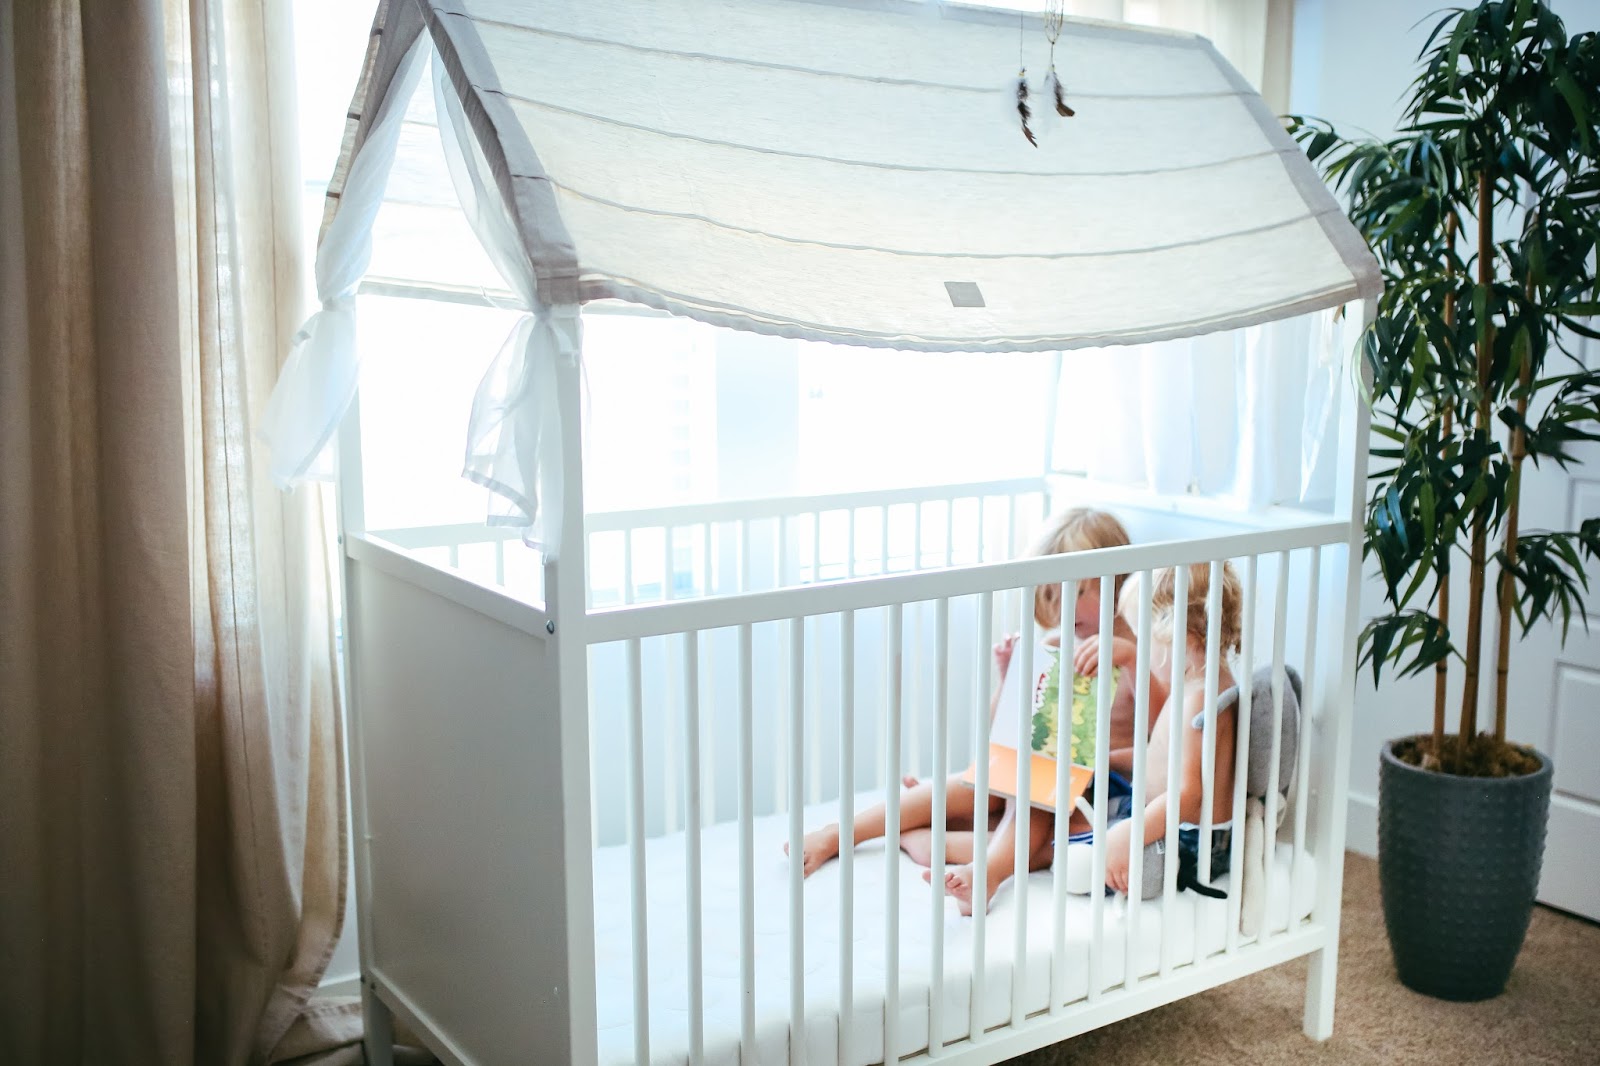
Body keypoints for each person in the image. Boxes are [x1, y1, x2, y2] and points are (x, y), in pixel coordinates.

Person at [788, 508, 1163, 916]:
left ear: (1118, 581)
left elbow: (1162, 736)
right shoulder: (1056, 645)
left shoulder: (1142, 649)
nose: (1062, 609)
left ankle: (981, 869)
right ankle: (841, 833)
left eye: (1077, 593)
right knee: (980, 782)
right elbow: (1003, 733)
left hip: (1103, 792)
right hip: (1042, 779)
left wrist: (1131, 664)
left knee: (1040, 815)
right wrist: (1008, 679)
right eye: (1051, 596)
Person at [1073, 561, 1242, 898]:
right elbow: (1162, 757)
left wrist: (1131, 834)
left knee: (1074, 859)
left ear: (1175, 634)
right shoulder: (1197, 685)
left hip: (1188, 841)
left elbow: (1189, 795)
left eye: (1142, 637)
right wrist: (1109, 760)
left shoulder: (1199, 700)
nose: (1141, 648)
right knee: (1075, 816)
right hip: (1162, 817)